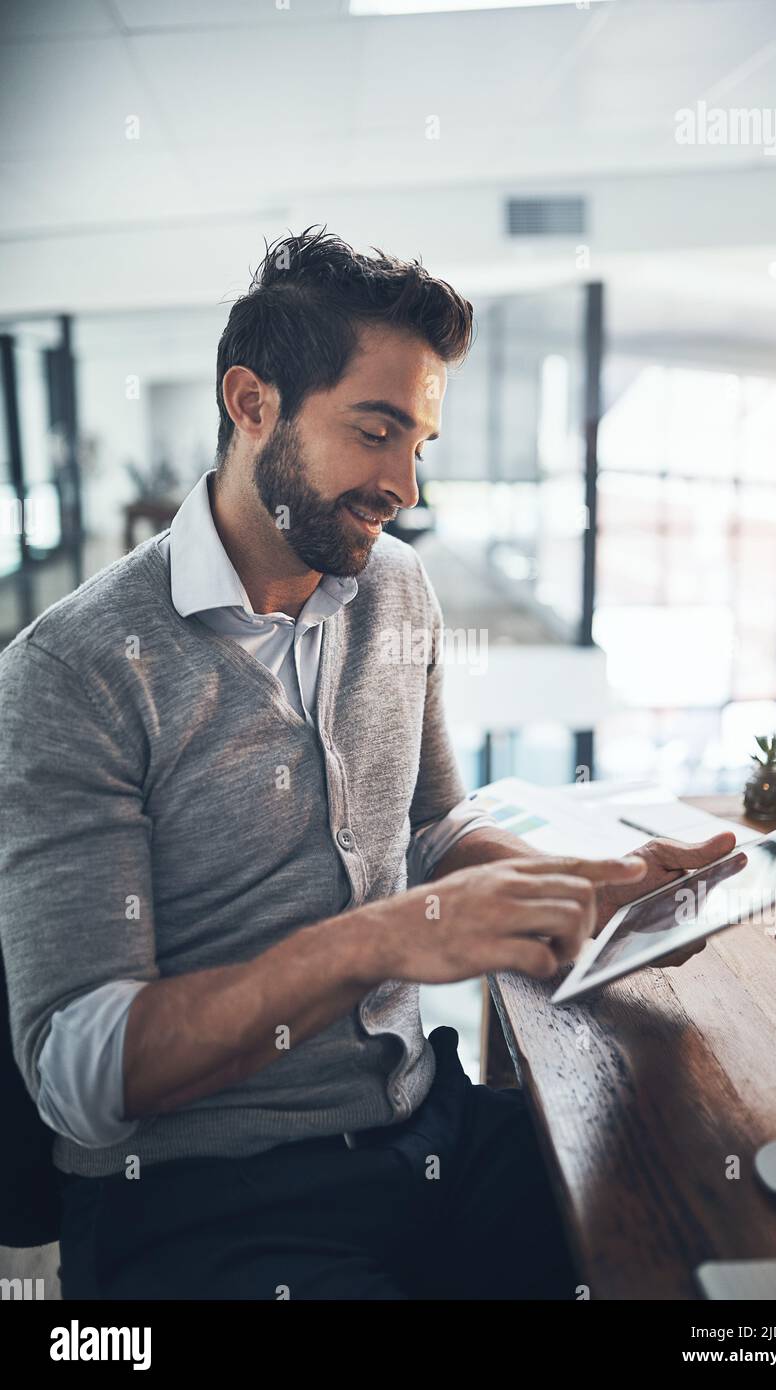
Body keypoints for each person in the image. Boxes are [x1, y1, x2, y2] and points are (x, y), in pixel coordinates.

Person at [0, 227, 734, 1300]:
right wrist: (383, 936)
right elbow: (84, 1079)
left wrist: (582, 891)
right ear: (252, 403)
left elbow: (432, 829)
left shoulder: (395, 591)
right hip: (200, 1196)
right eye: (376, 430)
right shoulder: (71, 671)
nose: (405, 485)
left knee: (687, 1252)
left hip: (416, 1126)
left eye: (420, 444)